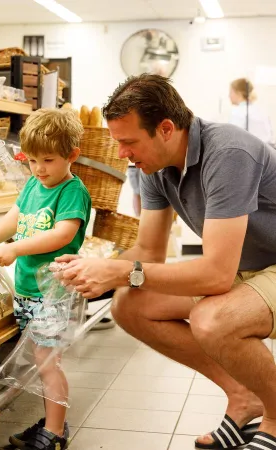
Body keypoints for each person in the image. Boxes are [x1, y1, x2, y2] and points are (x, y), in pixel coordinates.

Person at [57, 73, 276, 450]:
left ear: (166, 129)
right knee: (130, 304)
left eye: (129, 142)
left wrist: (121, 272)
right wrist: (93, 266)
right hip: (245, 266)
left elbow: (217, 276)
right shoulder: (154, 168)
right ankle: (244, 395)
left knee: (213, 320)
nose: (122, 153)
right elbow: (148, 252)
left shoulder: (228, 155)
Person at [0, 108, 91, 450]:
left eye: (49, 160)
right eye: (32, 160)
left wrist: (16, 249)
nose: (39, 168)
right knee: (43, 361)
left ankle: (54, 432)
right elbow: (14, 217)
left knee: (47, 361)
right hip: (28, 291)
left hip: (53, 293)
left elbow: (60, 235)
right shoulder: (33, 184)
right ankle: (51, 420)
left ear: (72, 155)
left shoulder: (72, 191)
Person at [229, 78, 274, 145]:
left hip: (249, 153)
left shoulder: (238, 112)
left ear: (238, 93)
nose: (229, 96)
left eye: (231, 92)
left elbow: (233, 139)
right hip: (266, 152)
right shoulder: (261, 111)